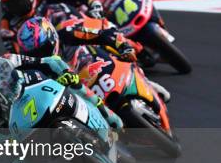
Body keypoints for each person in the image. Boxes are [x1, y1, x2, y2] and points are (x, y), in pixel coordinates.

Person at [0, 42, 123, 137]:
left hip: (33, 95)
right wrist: (4, 142)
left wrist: (66, 73)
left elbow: (49, 61)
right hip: (17, 129)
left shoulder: (8, 60)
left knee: (75, 83)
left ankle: (107, 115)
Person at [14, 17, 171, 102]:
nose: (42, 53)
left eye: (44, 48)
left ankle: (146, 82)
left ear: (52, 37)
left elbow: (98, 34)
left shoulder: (67, 33)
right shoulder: (33, 66)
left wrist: (122, 46)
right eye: (37, 52)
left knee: (118, 53)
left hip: (98, 65)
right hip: (80, 92)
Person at [0, 0, 104, 53]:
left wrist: (95, 5)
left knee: (53, 10)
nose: (18, 6)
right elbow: (16, 54)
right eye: (12, 4)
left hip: (79, 25)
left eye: (21, 0)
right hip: (56, 53)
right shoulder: (6, 27)